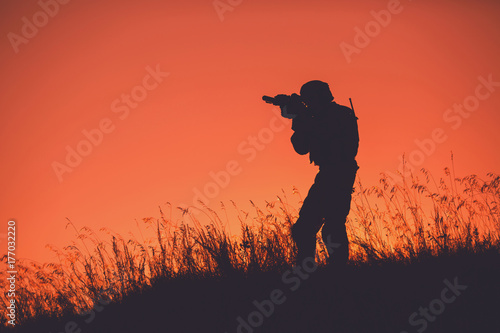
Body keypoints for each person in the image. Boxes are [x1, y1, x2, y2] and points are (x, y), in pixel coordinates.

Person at [283, 80, 359, 266]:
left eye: (309, 101)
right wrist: (298, 118)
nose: (308, 105)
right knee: (304, 228)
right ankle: (306, 270)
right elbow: (301, 147)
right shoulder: (317, 118)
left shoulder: (340, 115)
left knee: (332, 227)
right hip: (327, 174)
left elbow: (330, 137)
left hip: (339, 173)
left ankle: (337, 272)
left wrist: (302, 116)